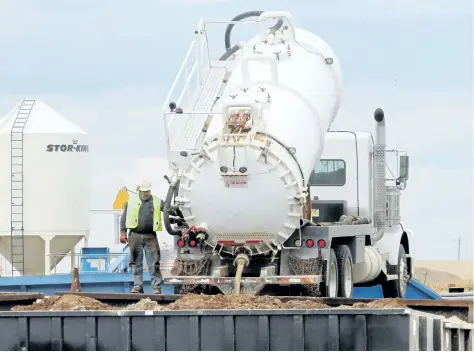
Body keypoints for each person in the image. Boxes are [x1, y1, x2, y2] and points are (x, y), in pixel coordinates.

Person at [120, 180, 163, 294]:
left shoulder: (157, 201)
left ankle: (156, 287)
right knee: (135, 263)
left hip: (151, 236)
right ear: (139, 191)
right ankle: (138, 286)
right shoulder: (131, 202)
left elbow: (168, 209)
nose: (146, 194)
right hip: (135, 236)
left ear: (150, 190)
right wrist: (123, 233)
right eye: (143, 191)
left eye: (147, 191)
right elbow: (123, 218)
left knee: (154, 262)